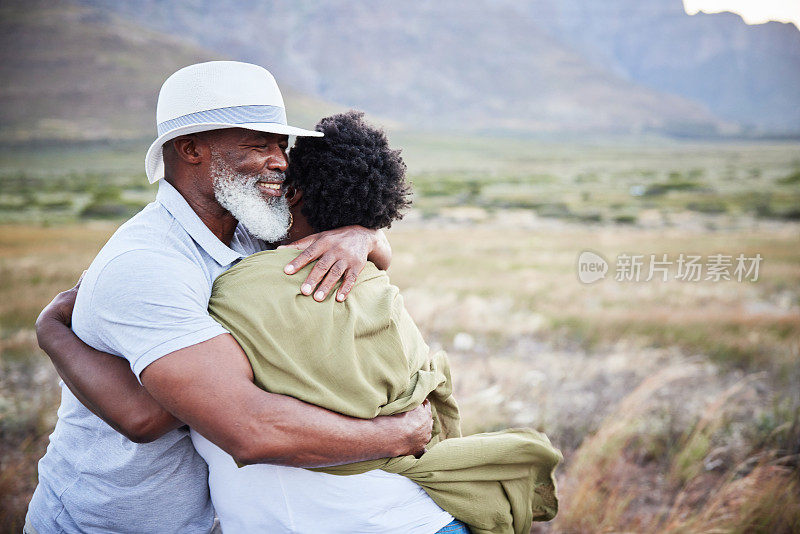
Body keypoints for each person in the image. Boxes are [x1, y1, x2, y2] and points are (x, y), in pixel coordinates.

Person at [26, 61, 436, 534]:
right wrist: (395, 434)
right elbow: (216, 424)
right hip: (107, 522)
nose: (280, 160)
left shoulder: (251, 227)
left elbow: (366, 244)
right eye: (258, 144)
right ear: (191, 148)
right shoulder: (147, 264)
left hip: (205, 522)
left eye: (281, 145)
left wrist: (361, 235)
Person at [198, 111, 561, 533]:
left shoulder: (235, 293)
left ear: (292, 194)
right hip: (427, 520)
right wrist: (365, 234)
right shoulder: (376, 285)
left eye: (282, 175)